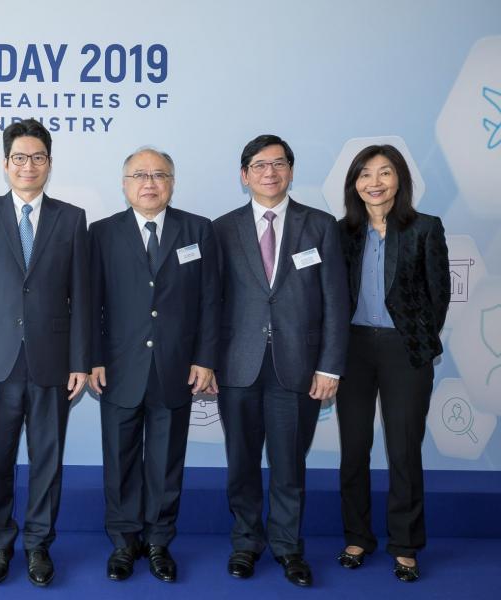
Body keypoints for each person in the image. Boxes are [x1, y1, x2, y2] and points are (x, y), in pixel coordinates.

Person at [0, 118, 89, 587]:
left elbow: (82, 297)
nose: (27, 165)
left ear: (49, 163)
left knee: (47, 459)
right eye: (19, 158)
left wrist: (79, 361)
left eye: (37, 157)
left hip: (53, 361)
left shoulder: (71, 218)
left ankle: (37, 545)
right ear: (5, 163)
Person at [213, 134, 348, 587]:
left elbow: (335, 300)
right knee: (243, 462)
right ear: (244, 175)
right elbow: (211, 302)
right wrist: (207, 362)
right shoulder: (222, 228)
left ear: (290, 170)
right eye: (258, 165)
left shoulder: (321, 225)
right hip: (238, 366)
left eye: (278, 164)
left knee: (290, 464)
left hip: (299, 366)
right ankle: (246, 544)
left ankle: (289, 548)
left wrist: (330, 366)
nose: (269, 173)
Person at [88, 147, 221, 582]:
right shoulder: (102, 233)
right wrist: (91, 359)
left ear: (173, 182)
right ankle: (125, 542)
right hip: (119, 368)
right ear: (125, 184)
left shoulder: (197, 230)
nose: (150, 183)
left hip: (176, 367)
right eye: (140, 175)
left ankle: (159, 541)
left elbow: (210, 301)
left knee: (166, 462)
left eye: (159, 174)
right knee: (120, 461)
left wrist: (205, 358)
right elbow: (90, 305)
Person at [335, 144, 450, 583]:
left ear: (399, 179)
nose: (375, 183)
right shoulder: (341, 231)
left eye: (385, 173)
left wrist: (412, 336)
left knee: (403, 450)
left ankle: (405, 545)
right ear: (355, 184)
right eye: (365, 174)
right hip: (353, 350)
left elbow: (437, 296)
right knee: (354, 449)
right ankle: (357, 536)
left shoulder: (425, 228)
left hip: (406, 352)